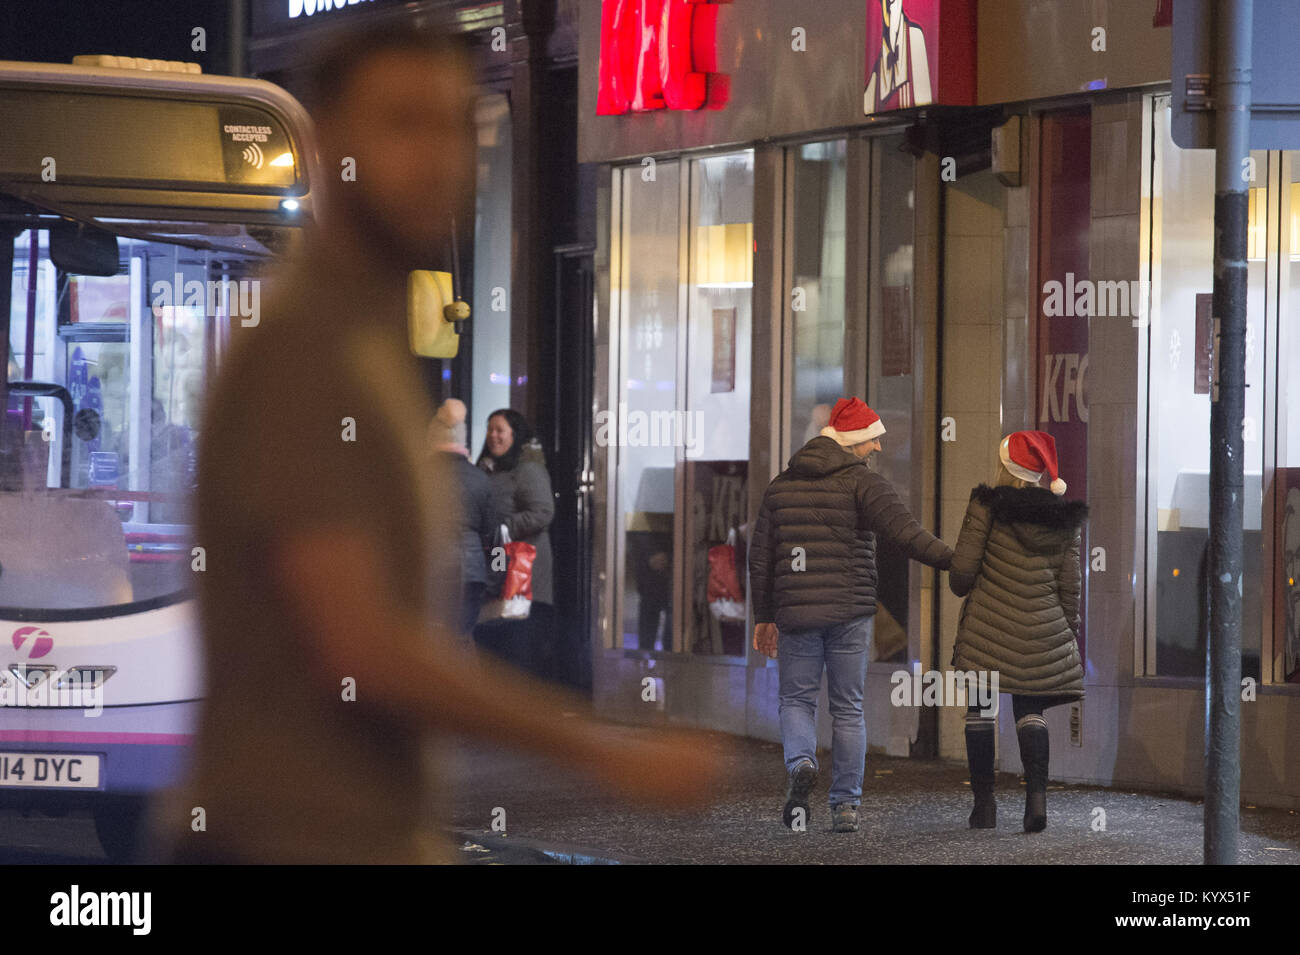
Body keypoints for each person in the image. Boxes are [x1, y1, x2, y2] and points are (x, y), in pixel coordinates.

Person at [150, 21, 714, 865]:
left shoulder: (366, 331)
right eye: (401, 123)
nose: (438, 155)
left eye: (452, 123)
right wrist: (607, 752)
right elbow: (359, 639)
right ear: (329, 141)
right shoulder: (307, 341)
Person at [749, 396, 952, 833]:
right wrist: (956, 562)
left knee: (796, 700)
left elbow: (761, 558)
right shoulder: (863, 484)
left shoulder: (781, 486)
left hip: (796, 613)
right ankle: (845, 806)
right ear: (856, 441)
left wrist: (763, 616)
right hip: (850, 613)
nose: (879, 448)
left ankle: (802, 760)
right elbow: (907, 534)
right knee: (848, 708)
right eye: (874, 440)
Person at [949, 430, 1086, 832]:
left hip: (986, 631)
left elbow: (961, 575)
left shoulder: (985, 506)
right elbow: (1070, 586)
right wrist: (1067, 630)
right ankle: (1036, 802)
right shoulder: (1063, 518)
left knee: (980, 710)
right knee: (1031, 710)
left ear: (1003, 464)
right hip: (1042, 630)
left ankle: (984, 807)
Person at [474, 409, 558, 680]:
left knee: (517, 648)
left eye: (500, 430)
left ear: (515, 434)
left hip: (522, 573)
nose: (493, 436)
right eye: (490, 430)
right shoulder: (486, 469)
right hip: (494, 569)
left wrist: (503, 527)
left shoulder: (527, 470)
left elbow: (543, 512)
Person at [428, 398, 496, 639]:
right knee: (461, 638)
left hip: (431, 570)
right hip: (471, 572)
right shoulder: (480, 478)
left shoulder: (421, 477)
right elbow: (493, 533)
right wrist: (494, 579)